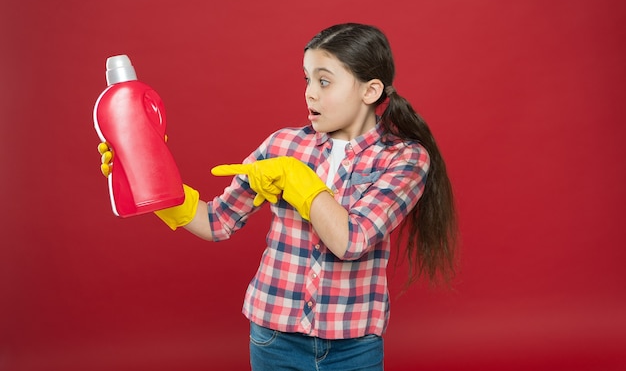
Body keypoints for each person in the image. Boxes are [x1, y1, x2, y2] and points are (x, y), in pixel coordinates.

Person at [99, 23, 458, 371]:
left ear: (370, 91)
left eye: (324, 81)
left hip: (354, 347)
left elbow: (352, 241)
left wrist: (298, 178)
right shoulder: (282, 145)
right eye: (307, 79)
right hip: (274, 339)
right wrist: (146, 173)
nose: (310, 93)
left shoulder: (404, 159)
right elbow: (216, 222)